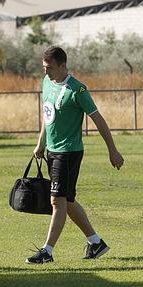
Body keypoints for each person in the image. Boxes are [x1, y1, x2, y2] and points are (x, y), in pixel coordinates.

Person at [27, 46, 124, 264]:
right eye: (44, 68)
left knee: (57, 201)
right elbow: (47, 114)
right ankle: (96, 242)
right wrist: (40, 142)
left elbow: (98, 119)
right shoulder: (47, 83)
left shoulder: (77, 90)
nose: (46, 72)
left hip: (68, 153)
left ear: (63, 66)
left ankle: (47, 252)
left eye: (49, 68)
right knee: (67, 200)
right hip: (52, 150)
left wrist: (113, 150)